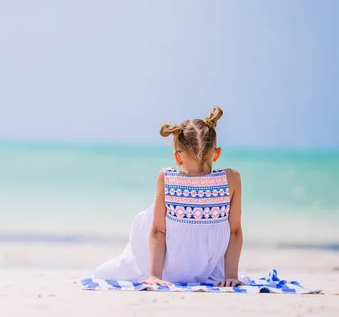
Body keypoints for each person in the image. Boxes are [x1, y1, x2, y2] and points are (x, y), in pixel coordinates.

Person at [93, 107, 246, 287]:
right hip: (208, 264)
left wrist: (154, 275)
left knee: (149, 222)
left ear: (177, 157)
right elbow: (234, 232)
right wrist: (230, 276)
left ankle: (149, 270)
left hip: (168, 265)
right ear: (216, 153)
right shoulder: (232, 178)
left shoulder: (167, 177)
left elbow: (158, 231)